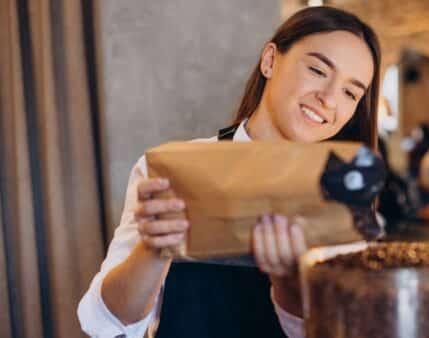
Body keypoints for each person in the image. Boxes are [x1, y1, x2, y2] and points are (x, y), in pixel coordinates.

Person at [78, 6, 381, 338]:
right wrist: (153, 250)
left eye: (350, 92)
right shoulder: (173, 171)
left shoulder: (343, 202)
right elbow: (105, 324)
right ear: (270, 60)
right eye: (317, 70)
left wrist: (289, 289)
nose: (328, 98)